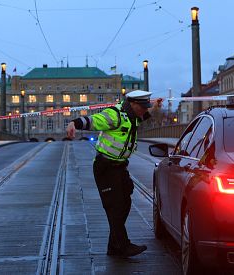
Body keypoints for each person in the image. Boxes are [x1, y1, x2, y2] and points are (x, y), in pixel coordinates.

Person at [66, 90, 162, 257]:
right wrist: (74, 123)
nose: (144, 110)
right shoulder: (115, 115)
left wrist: (154, 107)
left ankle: (114, 246)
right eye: (142, 107)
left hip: (119, 167)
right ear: (132, 104)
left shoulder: (132, 116)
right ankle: (123, 246)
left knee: (125, 203)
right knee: (115, 207)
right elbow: (94, 121)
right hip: (106, 167)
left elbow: (143, 117)